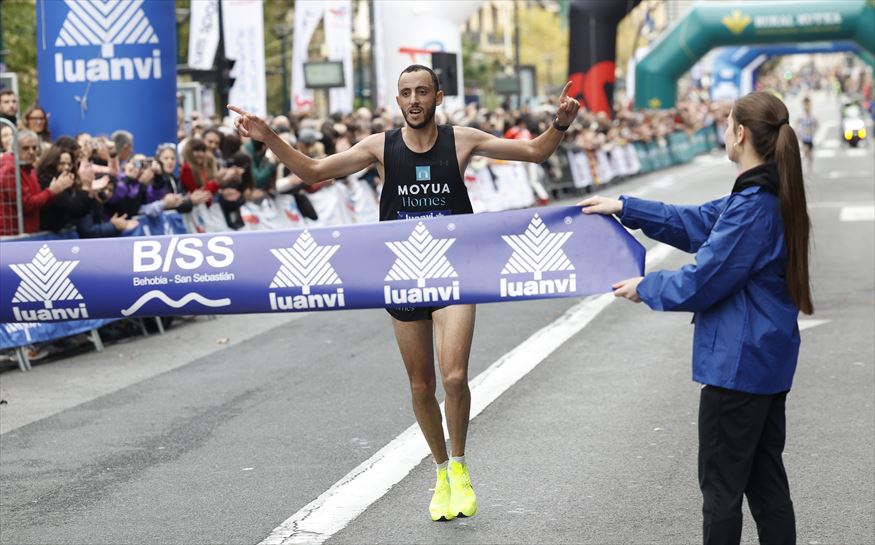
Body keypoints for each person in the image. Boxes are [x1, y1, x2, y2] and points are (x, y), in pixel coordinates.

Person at [229, 64, 580, 522]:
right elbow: (312, 171)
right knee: (421, 385)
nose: (413, 100)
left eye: (421, 92)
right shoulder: (381, 147)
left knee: (454, 378)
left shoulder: (463, 139)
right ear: (398, 101)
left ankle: (459, 466)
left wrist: (559, 124)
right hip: (402, 277)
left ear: (438, 96)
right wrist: (268, 136)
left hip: (454, 273)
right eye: (405, 93)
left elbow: (534, 153)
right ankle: (439, 472)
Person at [580, 90, 812, 545]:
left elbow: (706, 279)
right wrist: (626, 208)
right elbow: (697, 222)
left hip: (738, 366)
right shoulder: (765, 194)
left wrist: (645, 286)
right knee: (765, 487)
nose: (724, 131)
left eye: (727, 124)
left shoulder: (753, 206)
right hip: (764, 362)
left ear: (740, 133)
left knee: (723, 491)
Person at [0, 130, 74, 234]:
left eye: (34, 148)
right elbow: (27, 205)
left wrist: (55, 191)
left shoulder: (30, 169)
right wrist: (51, 191)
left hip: (28, 234)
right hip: (13, 237)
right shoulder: (10, 170)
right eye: (26, 148)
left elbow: (39, 203)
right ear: (15, 149)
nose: (31, 152)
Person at [796, 96, 817, 171]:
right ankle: (801, 167)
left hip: (810, 137)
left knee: (810, 154)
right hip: (804, 137)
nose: (807, 106)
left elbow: (816, 124)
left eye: (808, 104)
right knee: (806, 151)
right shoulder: (801, 115)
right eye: (805, 104)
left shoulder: (812, 116)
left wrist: (814, 130)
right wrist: (798, 133)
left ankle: (809, 166)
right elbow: (797, 124)